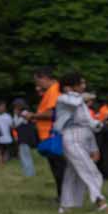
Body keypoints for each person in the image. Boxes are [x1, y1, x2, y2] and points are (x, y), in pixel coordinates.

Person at [53, 72, 108, 214]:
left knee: (73, 174)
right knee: (91, 171)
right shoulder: (63, 98)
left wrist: (104, 123)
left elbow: (89, 123)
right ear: (68, 87)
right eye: (81, 83)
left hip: (82, 138)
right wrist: (84, 96)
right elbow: (75, 101)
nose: (84, 86)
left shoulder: (80, 102)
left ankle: (65, 207)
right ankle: (101, 204)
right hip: (71, 138)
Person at [33, 67, 65, 200]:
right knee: (56, 168)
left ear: (44, 78)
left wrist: (33, 115)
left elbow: (52, 113)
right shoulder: (51, 91)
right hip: (48, 135)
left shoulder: (54, 90)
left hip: (52, 135)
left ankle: (64, 197)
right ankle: (61, 196)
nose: (37, 85)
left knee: (59, 168)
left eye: (38, 81)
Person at [12, 98, 38, 177]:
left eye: (16, 106)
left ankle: (29, 174)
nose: (15, 107)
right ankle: (29, 173)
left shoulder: (24, 113)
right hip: (23, 138)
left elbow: (16, 124)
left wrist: (16, 114)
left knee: (25, 156)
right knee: (25, 155)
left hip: (24, 138)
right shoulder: (23, 113)